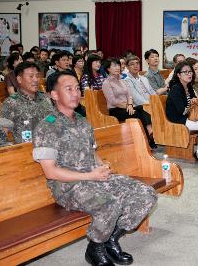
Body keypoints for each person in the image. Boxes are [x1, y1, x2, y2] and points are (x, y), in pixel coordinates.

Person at [33, 70, 157, 266]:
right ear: (54, 94)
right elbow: (50, 171)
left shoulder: (82, 121)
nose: (75, 93)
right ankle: (95, 246)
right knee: (110, 203)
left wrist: (103, 166)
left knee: (146, 194)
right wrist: (92, 174)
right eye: (68, 89)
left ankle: (110, 238)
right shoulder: (47, 127)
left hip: (94, 177)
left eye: (77, 88)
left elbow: (92, 153)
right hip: (69, 187)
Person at [102, 58, 156, 149]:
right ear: (108, 69)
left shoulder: (122, 80)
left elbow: (129, 96)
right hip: (115, 110)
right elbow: (113, 101)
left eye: (118, 65)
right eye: (114, 65)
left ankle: (149, 137)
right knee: (138, 114)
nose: (117, 67)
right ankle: (147, 140)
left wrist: (130, 105)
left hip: (128, 107)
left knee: (142, 110)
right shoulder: (106, 83)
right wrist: (128, 106)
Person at [0, 62, 54, 143]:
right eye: (31, 76)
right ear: (19, 79)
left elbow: (52, 120)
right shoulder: (10, 103)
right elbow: (2, 136)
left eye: (37, 76)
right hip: (26, 150)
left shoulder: (45, 98)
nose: (35, 80)